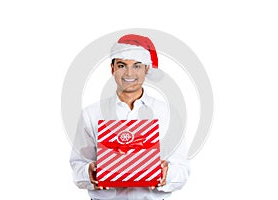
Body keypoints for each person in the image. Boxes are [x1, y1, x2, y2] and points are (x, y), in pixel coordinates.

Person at [70, 34, 190, 200]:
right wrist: (89, 172)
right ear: (112, 69)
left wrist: (166, 174)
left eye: (137, 66)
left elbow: (183, 169)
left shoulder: (167, 114)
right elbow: (77, 165)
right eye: (121, 65)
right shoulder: (91, 113)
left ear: (147, 69)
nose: (129, 73)